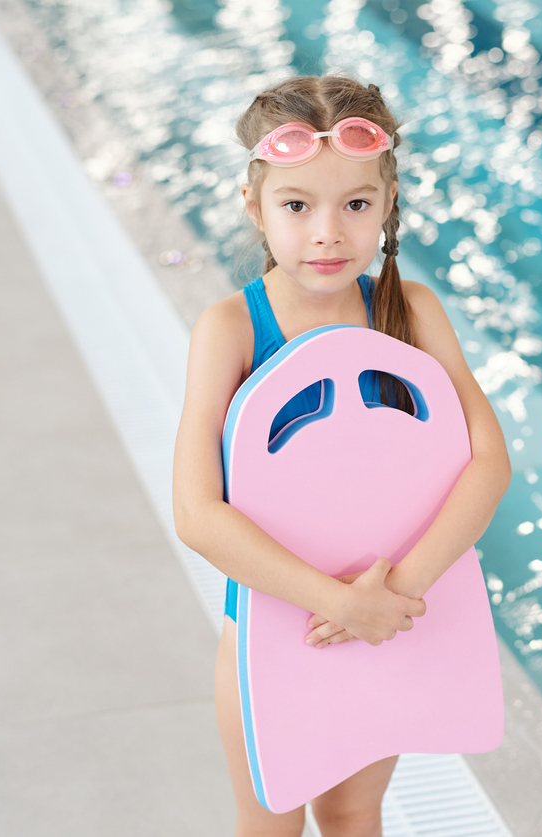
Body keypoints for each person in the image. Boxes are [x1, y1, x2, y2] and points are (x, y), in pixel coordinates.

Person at [172, 75, 512, 837]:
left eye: (355, 204)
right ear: (254, 206)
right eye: (298, 205)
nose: (328, 232)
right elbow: (197, 513)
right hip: (274, 631)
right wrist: (337, 601)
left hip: (384, 613)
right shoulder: (230, 329)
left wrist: (393, 594)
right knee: (270, 821)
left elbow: (488, 462)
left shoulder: (410, 312)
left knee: (355, 813)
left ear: (387, 202)